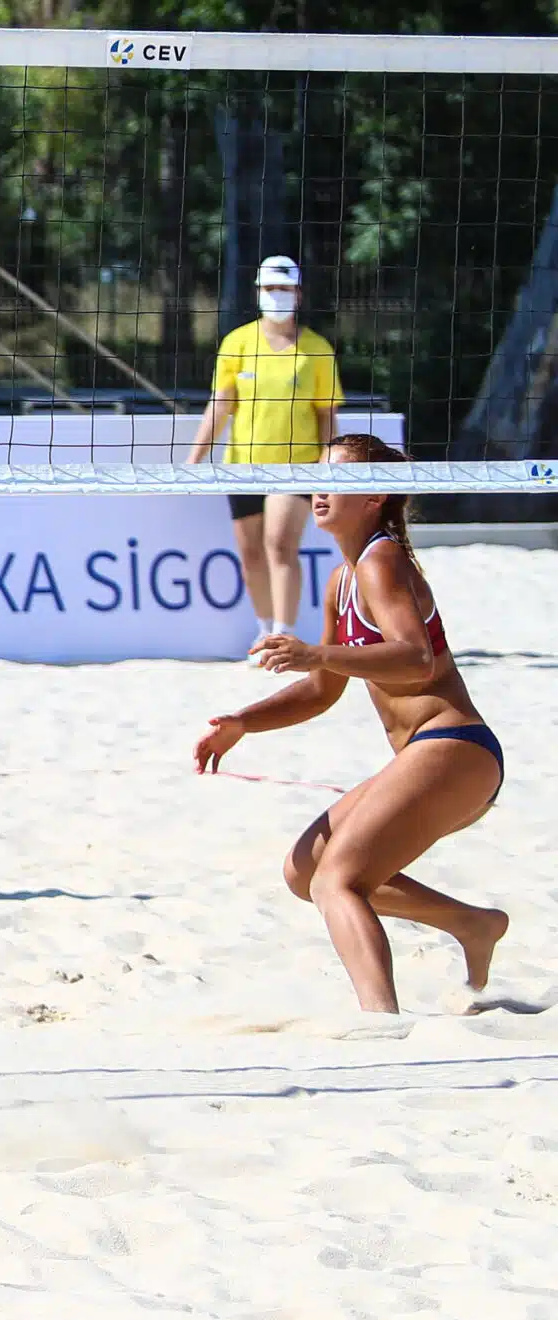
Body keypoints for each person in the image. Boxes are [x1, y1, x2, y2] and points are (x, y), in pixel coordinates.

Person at [194, 433, 510, 1015]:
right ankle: (472, 924)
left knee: (336, 880)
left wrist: (316, 652)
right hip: (430, 756)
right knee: (304, 870)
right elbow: (322, 690)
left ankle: (381, 1021)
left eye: (336, 480)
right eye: (318, 477)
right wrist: (243, 722)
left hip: (456, 748)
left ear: (374, 496)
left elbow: (416, 659)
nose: (319, 491)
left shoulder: (381, 560)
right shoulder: (342, 579)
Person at [186, 254, 344, 650]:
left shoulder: (316, 349)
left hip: (296, 465)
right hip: (243, 466)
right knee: (251, 554)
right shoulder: (237, 342)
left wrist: (329, 464)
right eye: (270, 288)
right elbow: (220, 405)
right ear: (257, 292)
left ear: (299, 294)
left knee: (280, 545)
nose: (277, 295)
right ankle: (264, 629)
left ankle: (283, 634)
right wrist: (194, 459)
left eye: (285, 288)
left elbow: (326, 414)